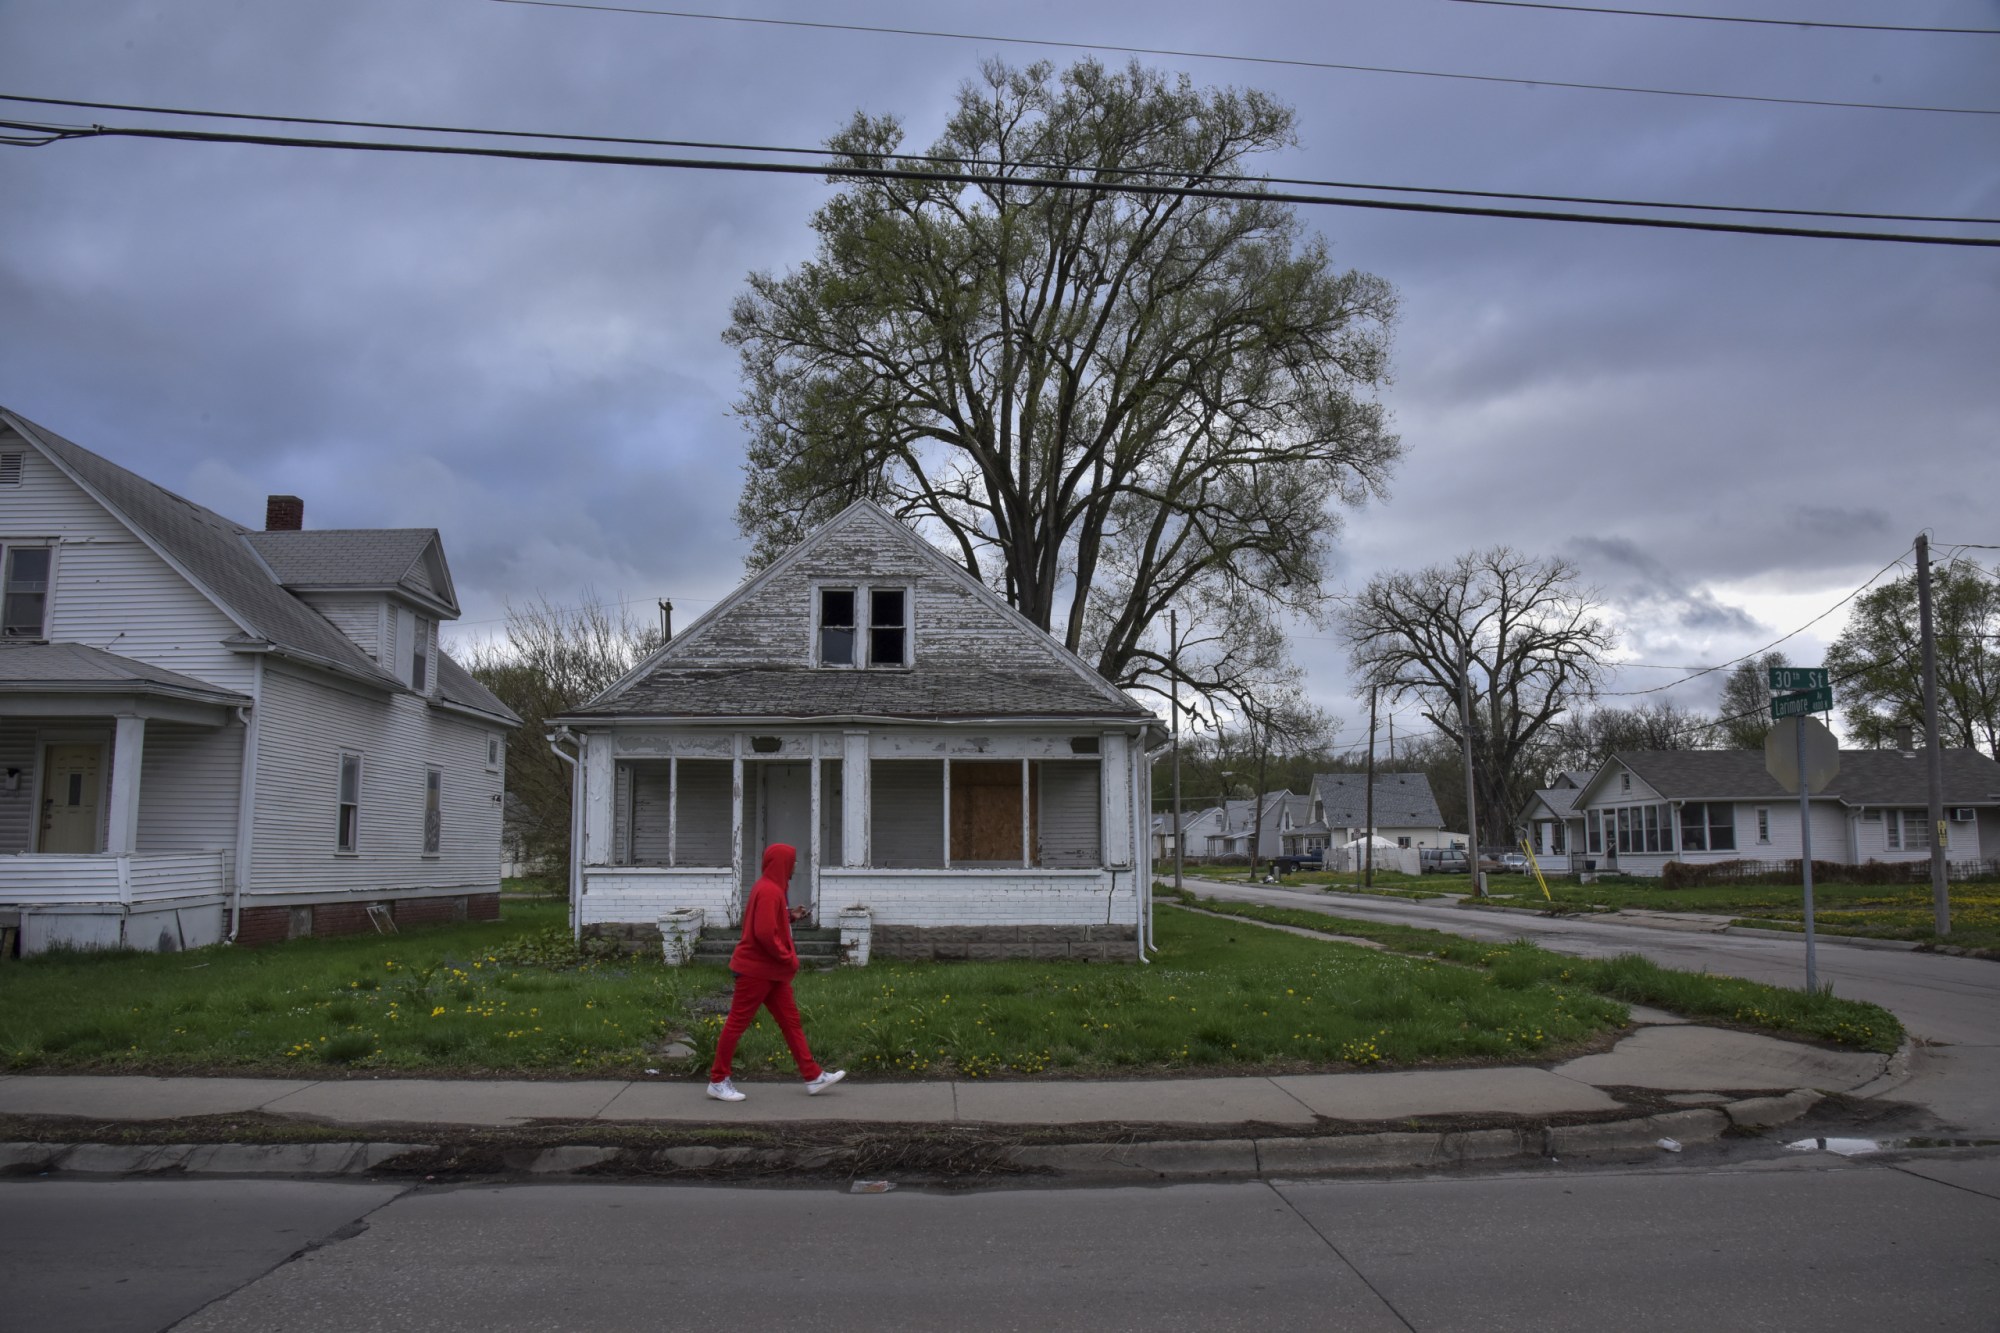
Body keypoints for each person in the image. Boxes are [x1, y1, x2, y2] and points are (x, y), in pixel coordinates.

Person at [706, 842, 846, 1102]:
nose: (795, 866)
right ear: (783, 863)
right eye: (792, 861)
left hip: (770, 972)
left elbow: (769, 919)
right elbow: (764, 934)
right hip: (755, 970)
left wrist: (789, 916)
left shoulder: (769, 888)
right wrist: (789, 958)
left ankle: (813, 1076)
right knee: (737, 1023)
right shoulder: (770, 891)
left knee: (790, 1022)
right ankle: (717, 1080)